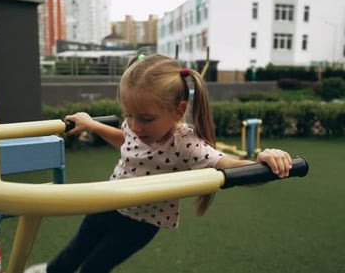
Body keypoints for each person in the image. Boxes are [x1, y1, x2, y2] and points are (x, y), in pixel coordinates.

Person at [25, 54, 292, 273]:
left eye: (146, 118)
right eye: (129, 115)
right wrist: (92, 124)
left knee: (94, 267)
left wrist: (264, 163)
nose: (135, 126)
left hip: (140, 223)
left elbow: (229, 167)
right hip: (107, 201)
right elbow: (126, 141)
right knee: (72, 252)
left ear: (177, 111)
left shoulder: (185, 144)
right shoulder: (135, 126)